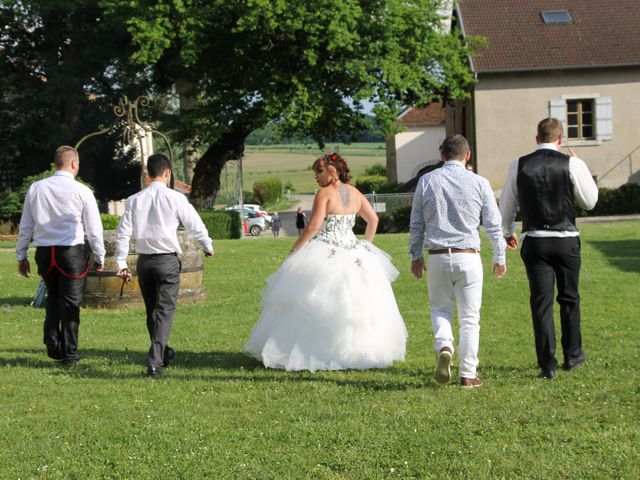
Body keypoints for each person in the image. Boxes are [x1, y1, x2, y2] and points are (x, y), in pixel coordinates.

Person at [244, 153, 407, 371]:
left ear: (332, 171)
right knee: (358, 302)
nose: (315, 177)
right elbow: (373, 220)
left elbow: (312, 227)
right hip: (355, 251)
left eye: (318, 172)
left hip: (327, 249)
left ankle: (310, 351)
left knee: (314, 299)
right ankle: (357, 351)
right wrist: (365, 245)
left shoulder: (324, 193)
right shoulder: (356, 192)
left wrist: (295, 249)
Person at [499, 117, 598, 380]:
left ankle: (547, 364)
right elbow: (590, 202)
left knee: (541, 303)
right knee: (570, 299)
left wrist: (508, 231)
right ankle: (573, 356)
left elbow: (507, 205)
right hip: (566, 239)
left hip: (535, 239)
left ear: (536, 138)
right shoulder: (572, 163)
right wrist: (580, 165)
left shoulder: (518, 164)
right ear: (561, 139)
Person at [409, 135, 506, 388]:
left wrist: (415, 255)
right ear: (468, 154)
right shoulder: (480, 183)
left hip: (438, 256)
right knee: (469, 318)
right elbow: (494, 224)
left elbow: (417, 222)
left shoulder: (426, 181)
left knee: (440, 309)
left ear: (442, 155)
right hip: (468, 255)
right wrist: (499, 255)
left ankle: (444, 345)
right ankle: (468, 374)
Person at [114, 153, 214, 378]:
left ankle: (164, 351)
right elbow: (194, 224)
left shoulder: (134, 200)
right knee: (164, 312)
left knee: (152, 311)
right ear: (167, 172)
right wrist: (207, 245)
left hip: (145, 261)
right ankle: (155, 362)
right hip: (167, 260)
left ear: (147, 174)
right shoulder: (175, 198)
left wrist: (121, 262)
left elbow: (123, 234)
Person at [16, 145, 105, 365]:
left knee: (54, 297)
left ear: (56, 163)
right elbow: (94, 229)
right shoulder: (82, 191)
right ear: (74, 164)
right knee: (71, 303)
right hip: (70, 252)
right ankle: (70, 352)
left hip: (45, 252)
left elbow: (25, 225)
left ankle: (52, 339)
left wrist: (21, 255)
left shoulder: (36, 188)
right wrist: (100, 255)